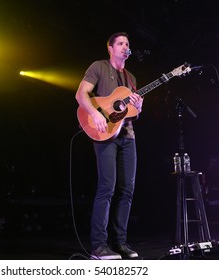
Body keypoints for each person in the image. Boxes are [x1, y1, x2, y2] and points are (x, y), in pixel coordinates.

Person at [75, 32, 144, 260]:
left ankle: (120, 243)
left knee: (127, 190)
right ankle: (98, 246)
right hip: (104, 133)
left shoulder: (131, 78)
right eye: (121, 43)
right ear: (111, 48)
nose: (125, 47)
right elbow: (81, 94)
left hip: (127, 136)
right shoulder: (99, 67)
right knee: (107, 187)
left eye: (128, 44)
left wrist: (138, 106)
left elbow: (131, 113)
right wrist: (94, 113)